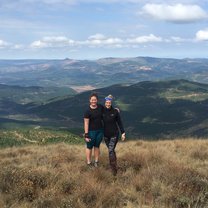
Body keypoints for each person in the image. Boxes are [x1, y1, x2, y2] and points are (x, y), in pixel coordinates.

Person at [103, 95, 125, 175]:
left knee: (110, 150)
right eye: (106, 103)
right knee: (111, 150)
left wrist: (123, 132)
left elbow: (119, 122)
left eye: (109, 103)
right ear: (105, 103)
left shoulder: (115, 112)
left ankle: (113, 171)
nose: (108, 104)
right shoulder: (102, 111)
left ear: (111, 103)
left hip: (114, 134)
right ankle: (114, 165)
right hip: (105, 136)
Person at [84, 93, 104, 167]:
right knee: (89, 147)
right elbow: (86, 123)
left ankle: (96, 161)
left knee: (97, 146)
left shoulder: (100, 107)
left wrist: (114, 109)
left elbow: (107, 109)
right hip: (91, 132)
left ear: (97, 100)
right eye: (92, 100)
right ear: (90, 100)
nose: (94, 101)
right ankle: (89, 162)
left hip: (100, 131)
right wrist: (86, 135)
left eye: (95, 100)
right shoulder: (87, 111)